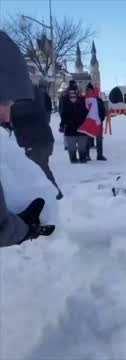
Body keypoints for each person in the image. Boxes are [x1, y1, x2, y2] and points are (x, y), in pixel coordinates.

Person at [0, 31, 55, 246]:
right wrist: (26, 228)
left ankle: (53, 192)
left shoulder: (35, 103)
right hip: (35, 141)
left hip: (38, 141)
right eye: (4, 100)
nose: (6, 114)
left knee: (42, 169)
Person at [11, 84, 63, 199]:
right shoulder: (34, 93)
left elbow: (15, 115)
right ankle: (48, 194)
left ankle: (56, 194)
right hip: (42, 139)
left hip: (36, 141)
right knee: (39, 168)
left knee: (40, 169)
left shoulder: (22, 99)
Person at [60, 89, 90, 163]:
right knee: (71, 147)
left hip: (81, 130)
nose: (73, 98)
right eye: (71, 97)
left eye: (74, 96)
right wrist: (62, 126)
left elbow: (87, 116)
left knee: (82, 147)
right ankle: (73, 159)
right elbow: (63, 117)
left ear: (77, 97)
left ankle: (83, 158)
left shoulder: (82, 105)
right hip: (70, 130)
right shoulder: (66, 106)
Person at [84, 83, 107, 161]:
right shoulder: (84, 100)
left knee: (99, 139)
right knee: (88, 139)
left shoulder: (98, 99)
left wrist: (101, 118)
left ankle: (99, 155)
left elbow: (103, 110)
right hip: (89, 122)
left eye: (91, 90)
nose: (89, 91)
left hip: (98, 122)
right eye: (88, 90)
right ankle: (87, 155)